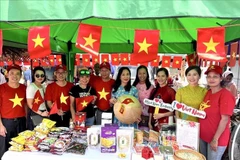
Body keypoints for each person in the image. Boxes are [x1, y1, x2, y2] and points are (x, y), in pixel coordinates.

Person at [199, 65, 235, 160]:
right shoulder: (208, 92)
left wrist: (215, 139)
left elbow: (225, 119)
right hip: (203, 136)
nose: (211, 79)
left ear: (221, 78)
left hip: (217, 139)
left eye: (215, 76)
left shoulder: (225, 95)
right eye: (209, 76)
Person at [0, 64, 27, 159]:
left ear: (20, 76)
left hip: (21, 122)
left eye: (17, 74)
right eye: (12, 73)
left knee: (21, 147)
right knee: (5, 149)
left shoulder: (24, 88)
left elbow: (26, 104)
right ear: (7, 75)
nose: (14, 76)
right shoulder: (1, 88)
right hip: (6, 122)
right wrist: (0, 126)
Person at [132, 65, 154, 131]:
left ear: (147, 74)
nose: (142, 75)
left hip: (147, 117)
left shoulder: (151, 87)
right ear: (137, 74)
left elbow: (152, 105)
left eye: (144, 73)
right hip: (136, 117)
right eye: (140, 73)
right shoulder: (134, 86)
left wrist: (150, 122)